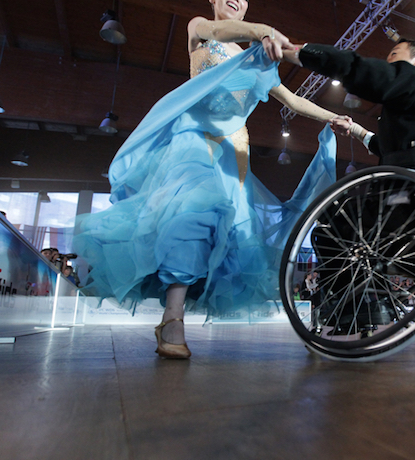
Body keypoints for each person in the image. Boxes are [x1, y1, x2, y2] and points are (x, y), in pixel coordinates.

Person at [73, 0, 346, 359]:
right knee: (194, 213)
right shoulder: (200, 28)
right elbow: (217, 31)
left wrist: (340, 119)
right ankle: (173, 317)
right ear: (213, 1)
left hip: (235, 155)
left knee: (231, 234)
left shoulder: (257, 58)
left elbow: (293, 101)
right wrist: (262, 30)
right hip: (194, 139)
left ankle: (178, 310)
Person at [283, 38, 415, 187]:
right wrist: (354, 129)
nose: (389, 60)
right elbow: (384, 146)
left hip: (413, 180)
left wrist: (303, 51)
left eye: (394, 54)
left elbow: (361, 70)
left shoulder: (413, 78)